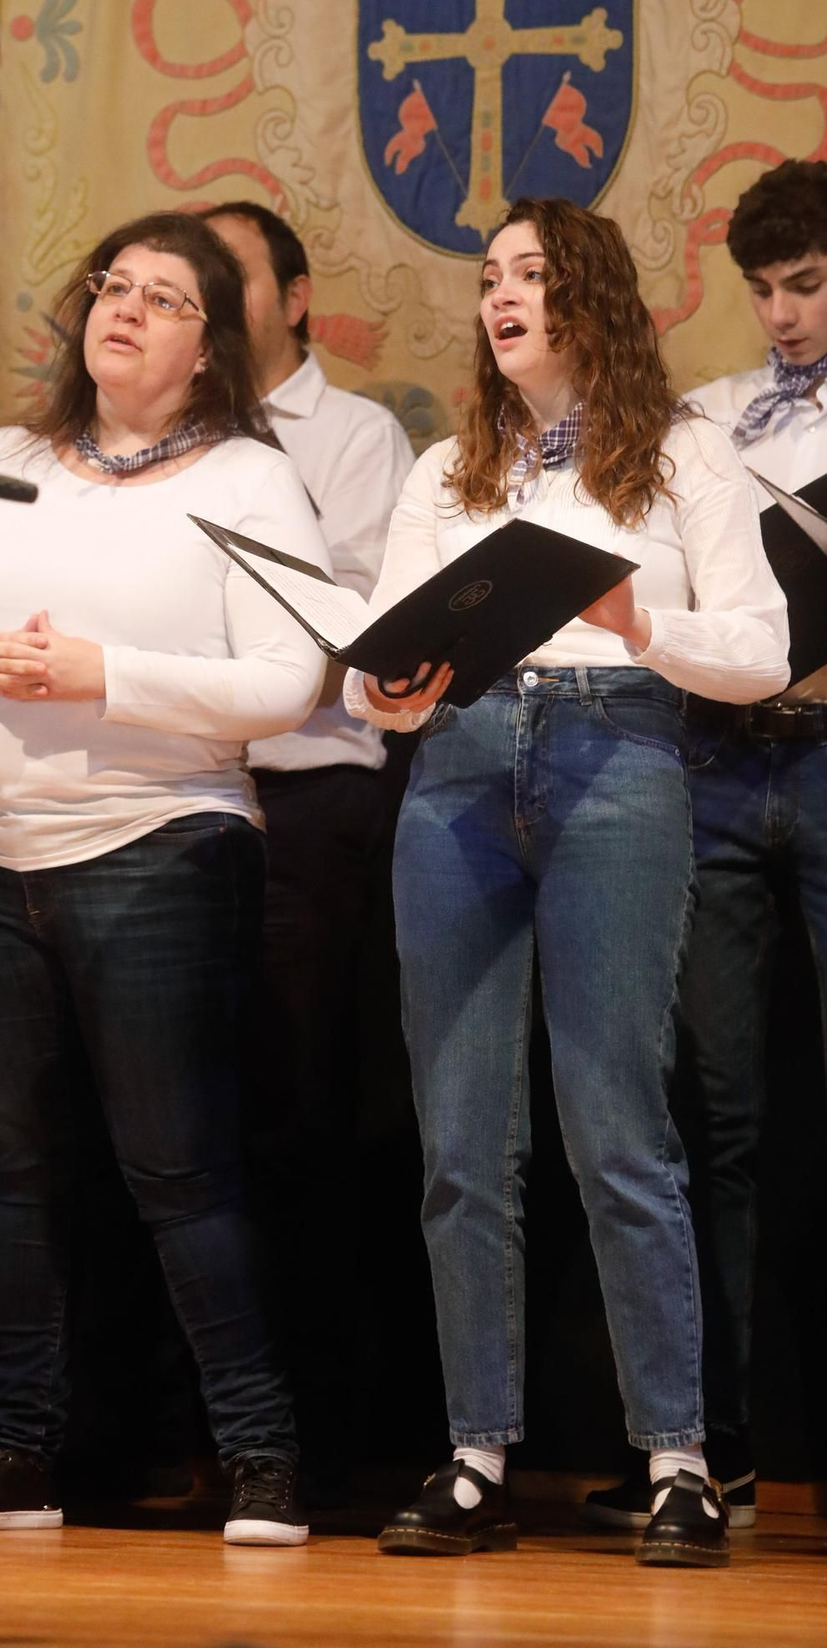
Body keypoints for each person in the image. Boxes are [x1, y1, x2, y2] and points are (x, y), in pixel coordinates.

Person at [346, 196, 788, 1568]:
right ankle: (475, 1455)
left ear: (589, 294)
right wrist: (392, 689)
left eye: (530, 273)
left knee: (619, 1127)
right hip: (464, 774)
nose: (501, 295)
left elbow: (763, 653)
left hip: (616, 759)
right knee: (464, 1142)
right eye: (487, 277)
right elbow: (383, 684)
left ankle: (675, 1458)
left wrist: (637, 621)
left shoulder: (682, 455)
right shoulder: (444, 467)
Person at [0, 210, 327, 1546]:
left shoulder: (249, 479)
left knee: (177, 1170)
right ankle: (17, 1451)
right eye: (111, 287)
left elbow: (286, 682)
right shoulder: (10, 458)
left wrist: (103, 677)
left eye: (164, 298)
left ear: (211, 345)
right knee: (15, 1173)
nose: (123, 310)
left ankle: (259, 1457)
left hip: (159, 842)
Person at [585, 158, 827, 1533]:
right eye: (762, 290)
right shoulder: (712, 421)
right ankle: (709, 1444)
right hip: (727, 763)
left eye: (805, 285)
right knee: (713, 1114)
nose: (781, 315)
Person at [198, 200, 414, 1486]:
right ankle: (202, 1424)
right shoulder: (168, 438)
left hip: (307, 798)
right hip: (175, 788)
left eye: (229, 280)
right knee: (185, 1119)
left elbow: (357, 622)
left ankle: (315, 1432)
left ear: (294, 297)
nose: (209, 306)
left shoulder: (355, 435)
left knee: (294, 1109)